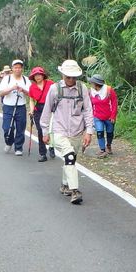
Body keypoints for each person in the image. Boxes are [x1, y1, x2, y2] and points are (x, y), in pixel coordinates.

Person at [40, 59, 94, 204]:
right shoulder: (54, 89)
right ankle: (75, 191)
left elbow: (88, 110)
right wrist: (44, 131)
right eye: (68, 76)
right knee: (69, 156)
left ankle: (65, 185)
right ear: (62, 75)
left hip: (77, 130)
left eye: (73, 77)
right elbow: (46, 111)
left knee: (71, 159)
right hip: (59, 130)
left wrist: (89, 131)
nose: (71, 79)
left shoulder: (82, 89)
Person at [0, 59, 30, 155]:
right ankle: (9, 141)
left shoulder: (26, 79)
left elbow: (30, 94)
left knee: (21, 128)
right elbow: (1, 93)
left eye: (20, 67)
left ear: (22, 69)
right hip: (8, 106)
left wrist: (23, 90)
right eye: (16, 67)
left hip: (21, 106)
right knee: (7, 128)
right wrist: (12, 88)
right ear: (12, 69)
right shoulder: (7, 78)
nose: (18, 69)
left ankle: (18, 147)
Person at [28, 66, 55, 162]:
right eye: (35, 75)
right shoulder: (32, 87)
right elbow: (31, 100)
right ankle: (43, 153)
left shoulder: (51, 84)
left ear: (43, 75)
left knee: (51, 129)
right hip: (38, 109)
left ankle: (52, 146)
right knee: (40, 131)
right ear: (33, 77)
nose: (38, 77)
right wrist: (31, 110)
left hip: (51, 108)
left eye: (39, 74)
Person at [89, 74, 118, 157]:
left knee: (110, 132)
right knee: (99, 132)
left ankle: (108, 145)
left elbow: (114, 103)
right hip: (97, 116)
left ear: (96, 84)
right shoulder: (91, 91)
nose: (91, 84)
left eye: (92, 83)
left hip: (109, 117)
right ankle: (102, 150)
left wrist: (113, 116)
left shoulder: (109, 90)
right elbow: (90, 104)